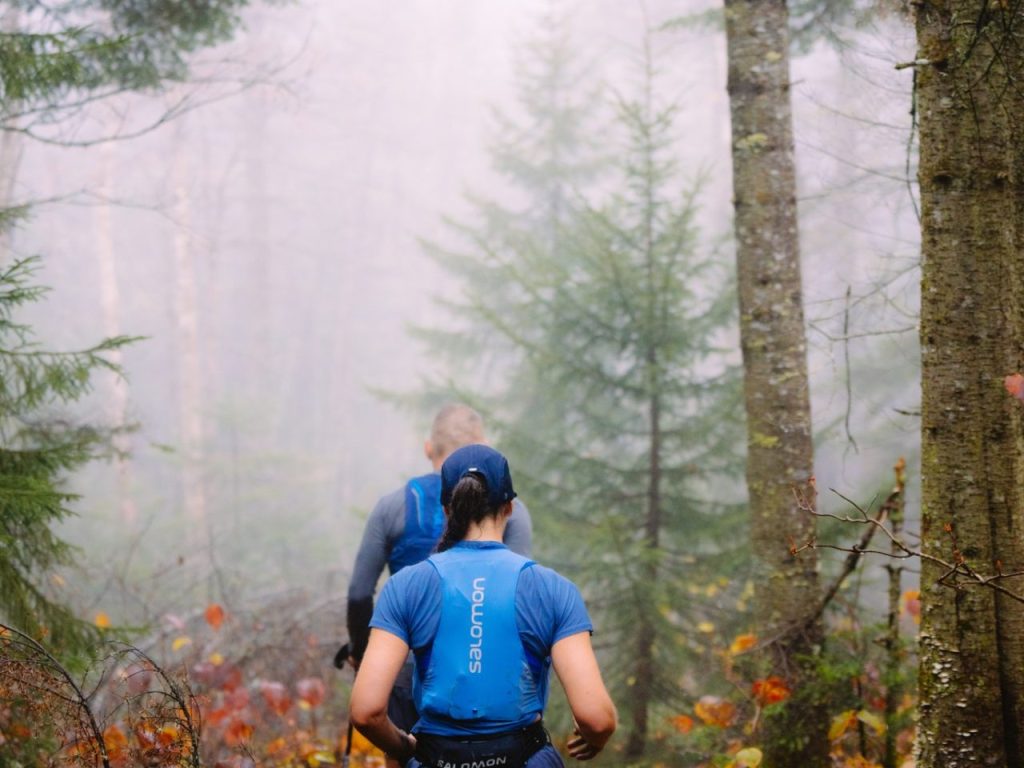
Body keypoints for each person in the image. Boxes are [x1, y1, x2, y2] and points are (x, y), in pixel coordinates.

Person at [349, 444, 616, 768]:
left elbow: (366, 712)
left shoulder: (405, 586)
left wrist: (405, 748)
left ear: (447, 509)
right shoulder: (553, 589)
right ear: (510, 507)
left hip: (434, 758)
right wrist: (595, 738)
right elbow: (596, 718)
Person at [346, 405, 533, 763]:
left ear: (429, 448)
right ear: (484, 447)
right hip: (482, 673)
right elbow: (517, 596)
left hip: (403, 669)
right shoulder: (511, 510)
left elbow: (359, 593)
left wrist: (361, 652)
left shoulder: (393, 506)